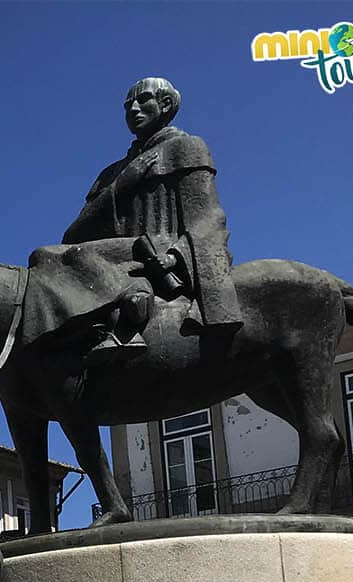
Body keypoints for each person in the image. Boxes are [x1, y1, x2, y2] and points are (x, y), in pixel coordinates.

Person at [25, 76, 241, 367]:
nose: (133, 109)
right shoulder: (110, 173)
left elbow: (208, 217)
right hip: (115, 254)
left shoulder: (186, 147)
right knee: (44, 257)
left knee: (73, 256)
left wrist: (175, 257)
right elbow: (76, 233)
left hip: (158, 250)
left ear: (165, 104)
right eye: (128, 105)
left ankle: (131, 313)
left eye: (143, 101)